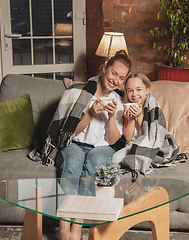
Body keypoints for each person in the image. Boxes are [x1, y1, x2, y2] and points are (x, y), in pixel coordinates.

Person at [54, 50, 131, 240]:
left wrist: (111, 116)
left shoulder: (119, 101)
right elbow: (69, 133)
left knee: (94, 165)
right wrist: (90, 113)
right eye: (113, 73)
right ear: (105, 68)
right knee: (72, 164)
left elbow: (112, 141)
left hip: (101, 147)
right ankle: (64, 225)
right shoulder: (80, 92)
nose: (115, 80)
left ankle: (77, 226)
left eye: (121, 78)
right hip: (75, 143)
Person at [112, 73, 151, 165]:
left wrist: (139, 116)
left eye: (138, 89)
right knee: (114, 159)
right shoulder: (127, 107)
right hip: (130, 146)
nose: (134, 94)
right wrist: (131, 118)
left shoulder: (151, 108)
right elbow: (128, 137)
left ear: (147, 90)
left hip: (147, 146)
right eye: (130, 90)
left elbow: (148, 136)